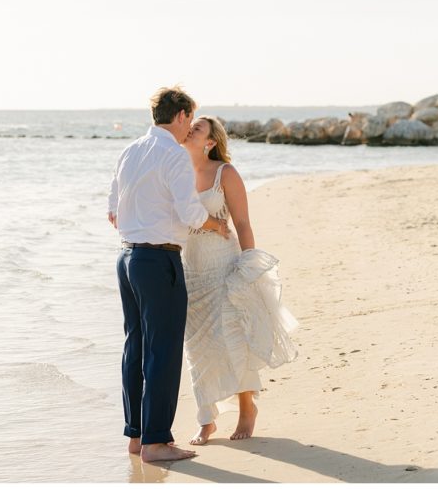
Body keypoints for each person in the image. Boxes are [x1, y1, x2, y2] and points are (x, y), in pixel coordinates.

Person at [108, 87, 229, 463]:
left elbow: (113, 211)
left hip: (127, 258)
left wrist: (143, 220)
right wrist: (216, 224)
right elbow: (192, 214)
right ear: (179, 116)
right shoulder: (173, 154)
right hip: (158, 262)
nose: (190, 127)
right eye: (190, 119)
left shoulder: (130, 151)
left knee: (136, 347)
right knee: (163, 352)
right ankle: (157, 442)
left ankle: (136, 436)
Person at [181, 115, 299, 446]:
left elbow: (243, 222)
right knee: (198, 347)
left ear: (210, 142)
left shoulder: (225, 173)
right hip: (190, 269)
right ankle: (206, 420)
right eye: (189, 126)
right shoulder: (176, 173)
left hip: (224, 265)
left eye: (198, 128)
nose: (190, 130)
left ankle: (247, 407)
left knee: (231, 337)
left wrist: (249, 268)